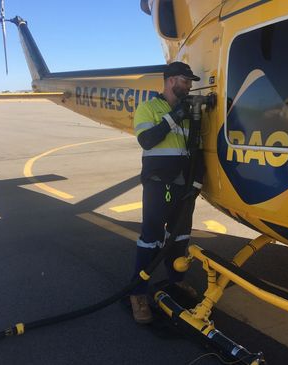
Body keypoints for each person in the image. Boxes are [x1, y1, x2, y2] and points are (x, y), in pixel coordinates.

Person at [130, 62, 204, 324]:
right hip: (159, 184)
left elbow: (197, 150)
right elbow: (147, 140)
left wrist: (195, 185)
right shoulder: (148, 108)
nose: (189, 86)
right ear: (172, 81)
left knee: (180, 237)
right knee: (150, 238)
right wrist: (175, 116)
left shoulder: (189, 114)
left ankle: (175, 281)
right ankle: (138, 293)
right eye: (186, 81)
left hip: (184, 186)